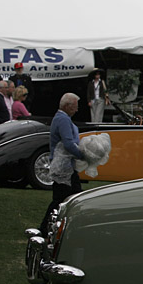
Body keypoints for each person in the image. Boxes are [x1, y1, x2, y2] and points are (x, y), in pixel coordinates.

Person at [39, 93, 85, 234]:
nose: (76, 110)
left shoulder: (61, 118)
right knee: (62, 199)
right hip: (63, 167)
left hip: (67, 166)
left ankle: (68, 226)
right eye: (75, 107)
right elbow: (68, 143)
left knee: (73, 196)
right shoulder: (63, 120)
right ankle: (45, 228)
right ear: (67, 106)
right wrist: (84, 155)